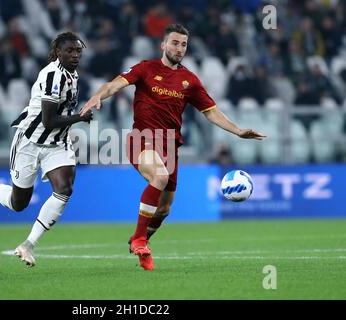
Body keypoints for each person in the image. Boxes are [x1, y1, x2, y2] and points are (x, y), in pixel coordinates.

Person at [80, 24, 265, 271]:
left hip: (169, 146)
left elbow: (211, 113)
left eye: (184, 44)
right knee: (159, 176)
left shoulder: (190, 80)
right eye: (175, 43)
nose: (179, 48)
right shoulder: (146, 68)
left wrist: (238, 130)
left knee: (165, 208)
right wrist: (97, 96)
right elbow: (115, 84)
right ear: (163, 45)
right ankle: (139, 240)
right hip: (142, 139)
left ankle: (141, 238)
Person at [0, 32, 93, 267]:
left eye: (78, 51)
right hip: (30, 142)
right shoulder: (52, 75)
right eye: (69, 51)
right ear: (57, 52)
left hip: (57, 144)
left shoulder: (72, 74)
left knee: (64, 189)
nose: (75, 55)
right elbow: (49, 120)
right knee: (18, 204)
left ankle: (28, 244)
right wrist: (79, 118)